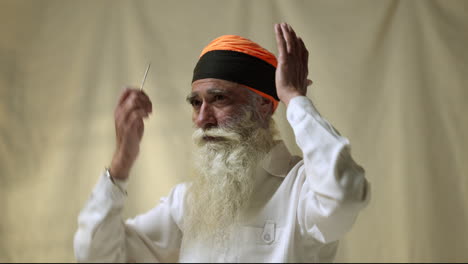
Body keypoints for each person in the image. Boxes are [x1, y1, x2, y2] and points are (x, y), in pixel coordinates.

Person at [73, 23, 370, 263]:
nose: (203, 118)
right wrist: (120, 165)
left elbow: (346, 195)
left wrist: (295, 99)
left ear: (264, 106)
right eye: (195, 102)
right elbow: (96, 255)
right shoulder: (188, 202)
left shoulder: (302, 189)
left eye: (219, 99)